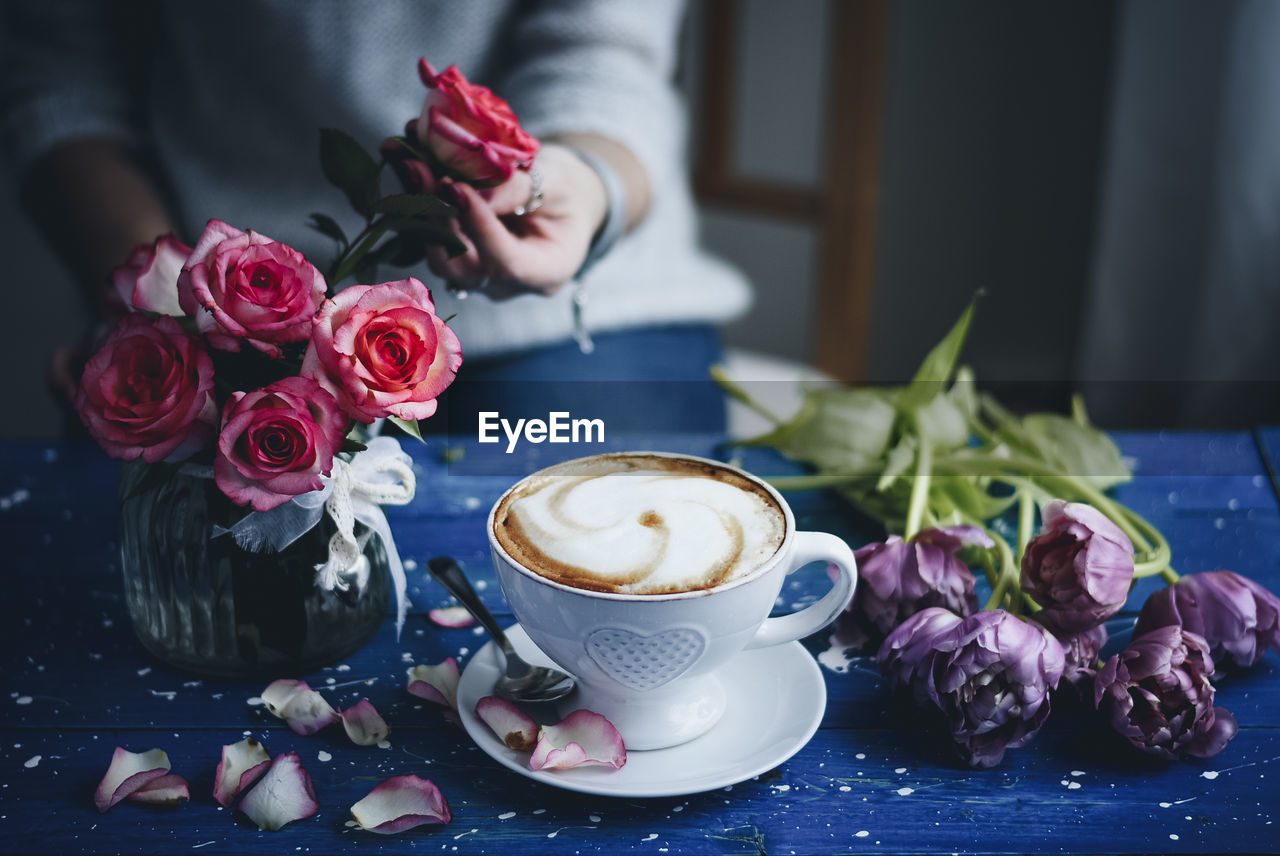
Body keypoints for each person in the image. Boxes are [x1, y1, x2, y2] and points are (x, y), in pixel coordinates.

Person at [0, 0, 750, 434]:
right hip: (217, 310)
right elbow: (58, 68)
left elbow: (603, 52)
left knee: (619, 583)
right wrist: (159, 295)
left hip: (576, 314)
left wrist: (573, 185)